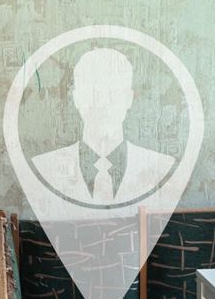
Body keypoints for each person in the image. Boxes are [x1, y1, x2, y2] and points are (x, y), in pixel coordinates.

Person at [31, 48, 175, 205]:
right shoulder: (45, 168)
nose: (104, 104)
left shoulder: (160, 166)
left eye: (114, 93)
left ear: (129, 99)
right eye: (95, 94)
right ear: (77, 98)